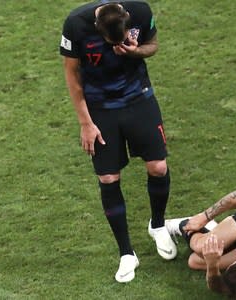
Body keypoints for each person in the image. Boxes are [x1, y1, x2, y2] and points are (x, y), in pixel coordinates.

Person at [60, 1, 176, 283]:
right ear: (98, 29)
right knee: (109, 177)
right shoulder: (75, 24)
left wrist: (136, 50)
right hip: (100, 108)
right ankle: (127, 253)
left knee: (158, 167)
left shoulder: (141, 10)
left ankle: (158, 225)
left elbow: (153, 46)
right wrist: (86, 123)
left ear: (128, 21)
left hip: (139, 97)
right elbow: (72, 76)